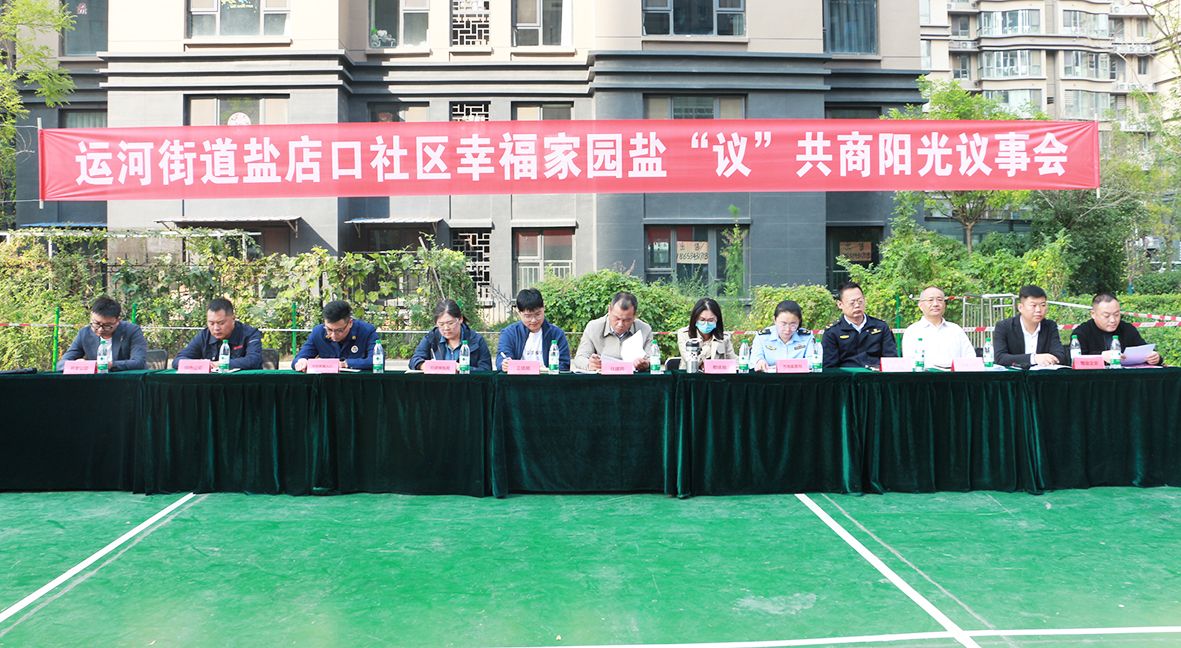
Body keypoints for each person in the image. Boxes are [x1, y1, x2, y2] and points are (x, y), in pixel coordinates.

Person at [57, 296, 148, 371]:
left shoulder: (132, 331)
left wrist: (109, 365)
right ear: (91, 316)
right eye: (96, 324)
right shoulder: (84, 334)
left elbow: (138, 362)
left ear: (117, 321)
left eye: (107, 326)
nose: (100, 329)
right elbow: (61, 365)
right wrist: (78, 365)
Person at [1073, 292, 1163, 366]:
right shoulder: (1081, 333)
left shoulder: (1127, 329)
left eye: (1116, 315)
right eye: (1106, 316)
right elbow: (1074, 361)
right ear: (1093, 314)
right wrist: (1100, 357)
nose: (1113, 320)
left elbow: (1144, 350)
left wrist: (1155, 358)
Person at [822, 281, 897, 368]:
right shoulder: (832, 332)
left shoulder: (881, 327)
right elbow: (829, 366)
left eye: (860, 301)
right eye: (852, 303)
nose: (857, 305)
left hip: (876, 374)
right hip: (846, 375)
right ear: (840, 304)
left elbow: (891, 360)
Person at [172, 298, 263, 370]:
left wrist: (219, 364)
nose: (216, 328)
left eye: (221, 323)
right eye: (211, 323)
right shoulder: (204, 336)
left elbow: (254, 360)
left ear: (233, 319)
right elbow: (178, 361)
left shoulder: (250, 334)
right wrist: (203, 365)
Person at [573, 291, 653, 372]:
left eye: (626, 320)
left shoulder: (645, 329)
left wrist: (647, 364)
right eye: (616, 318)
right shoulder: (593, 327)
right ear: (609, 310)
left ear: (634, 316)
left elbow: (653, 359)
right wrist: (590, 364)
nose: (620, 324)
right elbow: (580, 358)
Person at [992, 285, 1068, 368]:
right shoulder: (1004, 327)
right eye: (1033, 305)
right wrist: (1033, 358)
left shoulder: (1050, 326)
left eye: (1043, 305)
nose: (1038, 310)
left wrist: (1051, 359)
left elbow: (1060, 355)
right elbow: (1000, 357)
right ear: (1020, 307)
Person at [495, 288, 570, 371]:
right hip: (518, 378)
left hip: (547, 378)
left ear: (543, 308)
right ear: (519, 313)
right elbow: (502, 357)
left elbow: (564, 365)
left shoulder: (556, 334)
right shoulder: (509, 333)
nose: (533, 320)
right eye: (528, 316)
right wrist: (504, 364)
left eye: (538, 314)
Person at [901, 286, 976, 369]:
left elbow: (970, 358)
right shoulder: (912, 331)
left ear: (944, 304)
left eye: (939, 300)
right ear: (921, 305)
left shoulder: (956, 330)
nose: (935, 304)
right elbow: (909, 364)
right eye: (930, 300)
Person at [292, 300, 378, 371]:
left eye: (339, 330)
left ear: (350, 323)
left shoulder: (367, 331)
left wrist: (345, 364)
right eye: (329, 329)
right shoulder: (318, 332)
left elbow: (376, 361)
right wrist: (302, 361)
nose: (333, 335)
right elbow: (297, 360)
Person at [409, 299, 492, 371]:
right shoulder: (432, 337)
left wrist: (464, 368)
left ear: (460, 319)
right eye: (441, 324)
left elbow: (486, 369)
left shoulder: (476, 340)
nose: (446, 328)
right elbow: (414, 360)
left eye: (450, 323)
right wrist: (428, 366)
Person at [750, 300, 817, 371]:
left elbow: (813, 361)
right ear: (774, 320)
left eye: (793, 324)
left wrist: (784, 366)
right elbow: (754, 359)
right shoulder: (762, 337)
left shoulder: (807, 337)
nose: (787, 329)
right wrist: (759, 361)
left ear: (799, 321)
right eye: (783, 324)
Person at [676, 298, 736, 362]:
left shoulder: (724, 337)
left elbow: (734, 361)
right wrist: (707, 350)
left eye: (711, 320)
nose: (706, 324)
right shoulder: (684, 334)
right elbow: (690, 361)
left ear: (717, 320)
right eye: (702, 320)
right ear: (695, 319)